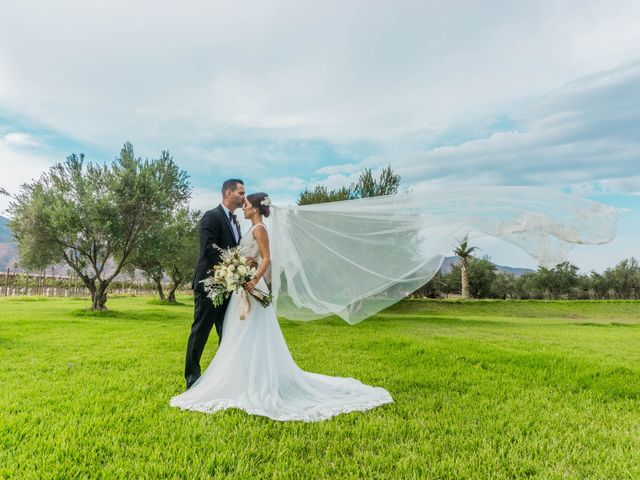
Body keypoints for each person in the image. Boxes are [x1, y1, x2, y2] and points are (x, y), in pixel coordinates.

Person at [171, 192, 393, 421]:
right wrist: (240, 267)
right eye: (242, 197)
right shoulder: (247, 226)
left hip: (251, 288)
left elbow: (267, 258)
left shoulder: (259, 229)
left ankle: (249, 382)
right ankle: (238, 379)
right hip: (240, 288)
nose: (244, 204)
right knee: (236, 335)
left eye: (247, 203)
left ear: (256, 208)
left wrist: (254, 278)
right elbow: (244, 255)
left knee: (248, 334)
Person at [184, 179, 245, 390]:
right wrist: (235, 264)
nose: (244, 197)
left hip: (228, 285)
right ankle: (192, 379)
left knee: (226, 332)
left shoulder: (236, 222)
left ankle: (223, 378)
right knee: (200, 331)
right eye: (240, 193)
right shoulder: (211, 216)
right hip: (209, 284)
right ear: (228, 193)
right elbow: (208, 249)